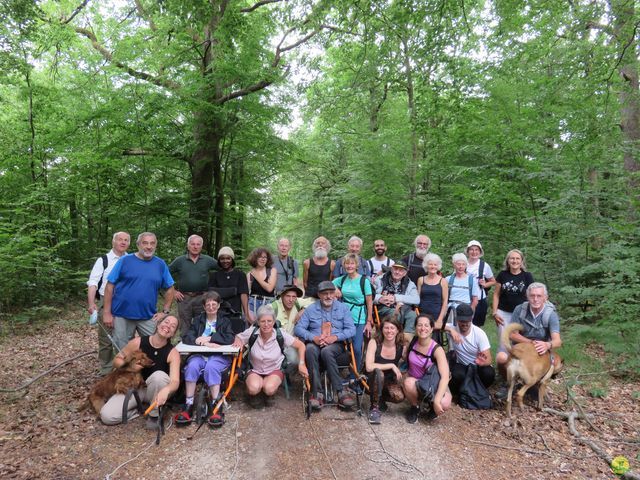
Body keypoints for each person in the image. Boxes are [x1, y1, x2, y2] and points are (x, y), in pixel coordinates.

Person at [100, 315, 181, 429]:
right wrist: (129, 367)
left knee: (159, 376)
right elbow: (116, 360)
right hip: (135, 388)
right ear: (158, 324)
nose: (168, 326)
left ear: (173, 334)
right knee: (107, 416)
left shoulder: (173, 353)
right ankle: (139, 411)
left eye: (173, 326)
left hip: (158, 391)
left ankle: (154, 415)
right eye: (166, 322)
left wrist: (167, 390)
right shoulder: (138, 342)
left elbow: (175, 381)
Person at [103, 232, 175, 351]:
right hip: (122, 316)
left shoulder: (160, 264)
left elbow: (170, 287)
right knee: (123, 352)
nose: (149, 246)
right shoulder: (125, 261)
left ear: (156, 245)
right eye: (145, 243)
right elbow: (110, 286)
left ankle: (152, 370)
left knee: (155, 348)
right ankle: (126, 370)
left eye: (152, 243)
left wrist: (165, 311)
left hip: (148, 316)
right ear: (138, 245)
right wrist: (107, 312)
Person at [175, 292, 235, 427]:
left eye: (214, 304)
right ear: (204, 306)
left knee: (211, 367)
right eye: (208, 304)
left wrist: (210, 338)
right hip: (200, 354)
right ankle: (188, 404)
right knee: (192, 366)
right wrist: (198, 340)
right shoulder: (197, 320)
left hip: (219, 356)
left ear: (219, 306)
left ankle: (216, 405)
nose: (211, 307)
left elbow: (229, 338)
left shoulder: (224, 320)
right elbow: (186, 336)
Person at [294, 281, 357, 409]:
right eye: (325, 294)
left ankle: (340, 391)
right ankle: (316, 393)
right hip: (316, 345)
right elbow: (299, 329)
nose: (328, 296)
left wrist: (335, 337)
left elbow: (352, 330)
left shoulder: (343, 308)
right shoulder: (311, 309)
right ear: (319, 294)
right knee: (310, 348)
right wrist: (314, 338)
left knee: (327, 351)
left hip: (337, 346)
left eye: (331, 293)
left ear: (335, 294)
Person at [233, 305, 308, 407]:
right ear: (258, 322)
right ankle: (255, 394)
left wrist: (302, 363)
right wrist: (238, 340)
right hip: (255, 368)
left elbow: (301, 345)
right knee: (253, 388)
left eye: (269, 321)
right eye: (263, 321)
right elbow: (238, 336)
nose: (266, 324)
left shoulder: (280, 333)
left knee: (269, 388)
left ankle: (267, 393)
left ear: (274, 322)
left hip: (274, 369)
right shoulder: (253, 332)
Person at [496, 282, 562, 384]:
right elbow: (512, 334)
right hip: (520, 348)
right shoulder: (520, 309)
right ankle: (508, 382)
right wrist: (531, 342)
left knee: (555, 363)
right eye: (532, 296)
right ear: (527, 297)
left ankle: (535, 383)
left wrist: (547, 344)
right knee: (501, 357)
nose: (535, 299)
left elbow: (557, 341)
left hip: (540, 351)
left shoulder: (551, 314)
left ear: (545, 298)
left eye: (539, 296)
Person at [87, 231, 130, 375]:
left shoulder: (131, 260)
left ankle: (124, 367)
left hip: (127, 305)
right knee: (106, 339)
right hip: (107, 303)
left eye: (126, 240)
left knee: (125, 337)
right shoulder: (103, 260)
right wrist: (91, 302)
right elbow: (93, 282)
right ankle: (106, 369)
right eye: (120, 239)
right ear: (113, 242)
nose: (123, 242)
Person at [403, 314, 452, 423]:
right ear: (415, 328)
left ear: (431, 329)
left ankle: (432, 405)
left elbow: (445, 377)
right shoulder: (412, 342)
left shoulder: (437, 349)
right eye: (419, 325)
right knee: (408, 382)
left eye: (426, 325)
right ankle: (415, 407)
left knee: (445, 402)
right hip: (416, 382)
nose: (423, 328)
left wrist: (437, 400)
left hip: (433, 384)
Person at [169, 234, 219, 338]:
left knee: (202, 323)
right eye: (192, 244)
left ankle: (201, 348)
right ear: (188, 246)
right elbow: (164, 275)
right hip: (184, 298)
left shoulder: (208, 260)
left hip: (202, 298)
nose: (195, 247)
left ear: (201, 246)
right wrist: (174, 291)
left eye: (198, 244)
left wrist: (212, 290)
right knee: (184, 325)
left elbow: (223, 271)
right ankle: (185, 349)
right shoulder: (180, 260)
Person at [333, 253, 373, 371]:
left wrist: (369, 321)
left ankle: (355, 374)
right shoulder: (343, 279)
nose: (349, 266)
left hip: (359, 317)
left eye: (352, 263)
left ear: (357, 265)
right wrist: (335, 289)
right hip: (344, 317)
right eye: (347, 263)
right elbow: (330, 284)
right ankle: (341, 369)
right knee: (342, 345)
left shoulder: (363, 281)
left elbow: (369, 302)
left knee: (356, 347)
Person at [492, 249, 534, 360]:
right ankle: (503, 364)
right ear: (508, 260)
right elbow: (496, 294)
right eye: (512, 258)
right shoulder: (502, 275)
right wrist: (495, 312)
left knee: (519, 339)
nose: (514, 261)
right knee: (504, 340)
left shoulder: (527, 276)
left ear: (521, 261)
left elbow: (532, 295)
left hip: (522, 313)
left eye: (517, 258)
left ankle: (520, 362)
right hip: (503, 312)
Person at [365, 315, 406, 424]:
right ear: (382, 329)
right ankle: (374, 407)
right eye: (386, 328)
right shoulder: (374, 342)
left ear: (398, 330)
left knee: (399, 397)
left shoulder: (401, 346)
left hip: (389, 380)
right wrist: (391, 365)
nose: (389, 331)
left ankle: (381, 398)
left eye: (392, 328)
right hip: (372, 378)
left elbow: (411, 360)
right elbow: (369, 366)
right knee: (379, 373)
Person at [448, 304, 495, 396]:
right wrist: (450, 330)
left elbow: (489, 359)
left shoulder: (479, 333)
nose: (465, 323)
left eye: (467, 320)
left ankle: (479, 391)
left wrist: (482, 363)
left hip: (477, 367)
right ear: (457, 319)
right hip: (462, 366)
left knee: (489, 373)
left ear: (471, 318)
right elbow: (434, 324)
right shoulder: (453, 328)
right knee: (456, 374)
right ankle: (461, 393)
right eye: (462, 321)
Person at [373, 261, 419, 342]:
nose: (397, 272)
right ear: (391, 269)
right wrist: (380, 298)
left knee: (412, 315)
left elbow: (416, 300)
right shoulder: (379, 280)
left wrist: (395, 298)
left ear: (405, 273)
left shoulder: (410, 283)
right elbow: (369, 295)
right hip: (384, 308)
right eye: (395, 269)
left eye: (401, 270)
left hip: (404, 309)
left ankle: (406, 342)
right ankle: (393, 341)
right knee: (394, 313)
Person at [270, 284, 313, 366]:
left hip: (291, 343)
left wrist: (304, 309)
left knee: (296, 360)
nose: (291, 299)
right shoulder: (272, 307)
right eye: (288, 296)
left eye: (294, 297)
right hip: (275, 344)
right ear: (282, 296)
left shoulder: (297, 303)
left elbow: (314, 301)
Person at [208, 246, 250, 322]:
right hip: (218, 313)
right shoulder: (214, 275)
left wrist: (246, 314)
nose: (225, 261)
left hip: (235, 312)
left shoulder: (240, 275)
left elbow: (243, 294)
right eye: (222, 258)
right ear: (219, 260)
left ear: (232, 259)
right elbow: (211, 294)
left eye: (228, 258)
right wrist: (233, 291)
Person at [465, 240, 495, 327]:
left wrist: (485, 284)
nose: (474, 252)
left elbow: (493, 281)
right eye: (471, 249)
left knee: (476, 327)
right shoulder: (462, 263)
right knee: (463, 325)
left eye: (476, 250)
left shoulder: (484, 265)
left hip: (479, 299)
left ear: (480, 252)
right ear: (468, 251)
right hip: (464, 299)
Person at [416, 253, 449, 333]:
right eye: (430, 264)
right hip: (422, 313)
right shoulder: (421, 280)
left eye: (435, 264)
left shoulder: (443, 281)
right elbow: (417, 299)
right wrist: (417, 314)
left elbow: (445, 301)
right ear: (426, 265)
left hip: (437, 314)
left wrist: (440, 319)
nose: (433, 266)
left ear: (438, 266)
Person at [446, 253, 480, 324]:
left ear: (466, 265)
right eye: (458, 264)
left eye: (463, 264)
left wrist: (470, 312)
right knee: (450, 331)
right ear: (454, 265)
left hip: (465, 310)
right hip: (451, 310)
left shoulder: (471, 280)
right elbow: (444, 298)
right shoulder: (448, 279)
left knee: (464, 331)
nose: (461, 267)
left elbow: (475, 300)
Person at [247, 247, 277, 323]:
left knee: (266, 327)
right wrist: (247, 312)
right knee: (252, 328)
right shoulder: (249, 275)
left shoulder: (272, 271)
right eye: (259, 257)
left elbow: (269, 288)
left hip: (268, 304)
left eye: (265, 257)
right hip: (252, 303)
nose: (262, 259)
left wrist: (256, 276)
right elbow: (247, 294)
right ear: (255, 258)